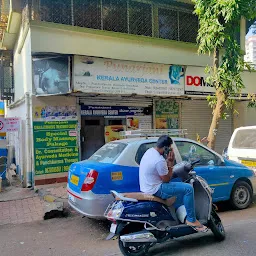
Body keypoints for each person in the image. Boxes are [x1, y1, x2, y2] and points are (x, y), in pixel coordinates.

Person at [139, 135, 208, 232]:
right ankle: (191, 220)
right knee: (188, 189)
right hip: (156, 189)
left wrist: (167, 163)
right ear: (166, 148)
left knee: (179, 189)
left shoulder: (149, 152)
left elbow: (160, 173)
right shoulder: (159, 160)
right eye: (170, 148)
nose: (171, 150)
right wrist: (170, 163)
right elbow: (166, 180)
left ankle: (177, 216)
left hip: (147, 186)